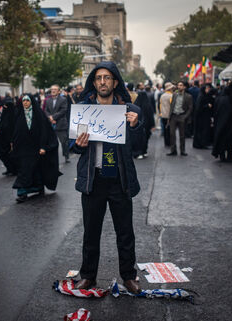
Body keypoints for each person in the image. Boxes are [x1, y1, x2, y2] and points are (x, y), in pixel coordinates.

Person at [71, 61, 144, 293]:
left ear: (115, 82)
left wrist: (135, 126)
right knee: (91, 232)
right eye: (99, 78)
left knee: (125, 232)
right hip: (94, 179)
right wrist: (79, 145)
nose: (103, 82)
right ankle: (88, 276)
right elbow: (72, 145)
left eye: (107, 78)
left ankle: (129, 276)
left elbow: (141, 146)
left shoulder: (130, 110)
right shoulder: (84, 109)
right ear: (94, 82)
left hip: (119, 180)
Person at [12, 94, 61, 203]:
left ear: (31, 102)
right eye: (23, 100)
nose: (25, 102)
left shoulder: (39, 114)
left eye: (27, 101)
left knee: (36, 169)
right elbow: (14, 131)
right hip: (23, 149)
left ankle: (38, 188)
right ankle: (22, 193)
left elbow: (44, 131)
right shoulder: (18, 114)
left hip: (36, 148)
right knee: (23, 170)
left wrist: (43, 147)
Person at [212, 81, 232, 162]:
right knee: (229, 140)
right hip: (230, 124)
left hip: (219, 123)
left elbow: (215, 110)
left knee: (221, 140)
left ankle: (222, 156)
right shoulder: (230, 99)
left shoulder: (218, 98)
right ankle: (229, 156)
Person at [44, 85, 70, 163]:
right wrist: (50, 118)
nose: (53, 91)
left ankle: (66, 156)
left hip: (61, 124)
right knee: (51, 143)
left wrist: (53, 117)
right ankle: (52, 157)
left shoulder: (63, 99)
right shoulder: (48, 100)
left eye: (55, 89)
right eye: (52, 89)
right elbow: (46, 110)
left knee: (64, 142)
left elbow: (63, 110)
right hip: (51, 124)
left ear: (58, 91)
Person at [167, 81, 193, 156]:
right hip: (174, 116)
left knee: (182, 135)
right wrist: (169, 117)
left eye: (181, 85)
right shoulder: (174, 94)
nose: (179, 87)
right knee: (172, 134)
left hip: (182, 116)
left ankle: (182, 150)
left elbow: (190, 108)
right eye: (178, 85)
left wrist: (185, 117)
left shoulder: (188, 96)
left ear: (184, 87)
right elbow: (172, 106)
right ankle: (173, 150)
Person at [0, 94, 18, 176]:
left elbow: (14, 128)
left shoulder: (15, 115)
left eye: (6, 105)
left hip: (11, 140)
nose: (4, 107)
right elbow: (2, 124)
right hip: (3, 139)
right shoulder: (5, 113)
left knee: (10, 155)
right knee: (2, 154)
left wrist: (12, 140)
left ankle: (14, 169)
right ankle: (9, 168)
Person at [193, 84, 215, 149]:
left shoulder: (203, 95)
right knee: (202, 131)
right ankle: (201, 144)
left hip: (202, 117)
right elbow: (199, 107)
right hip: (201, 118)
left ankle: (201, 143)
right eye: (207, 89)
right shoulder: (201, 96)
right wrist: (207, 106)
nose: (208, 90)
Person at [159, 82, 174, 147]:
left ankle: (166, 142)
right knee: (170, 130)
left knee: (165, 130)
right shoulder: (171, 96)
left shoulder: (162, 96)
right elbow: (172, 106)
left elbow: (160, 105)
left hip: (163, 115)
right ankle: (170, 143)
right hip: (169, 116)